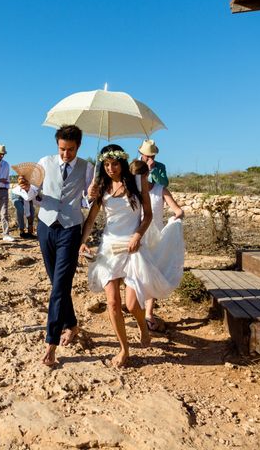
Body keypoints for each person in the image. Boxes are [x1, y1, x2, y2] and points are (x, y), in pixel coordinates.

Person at [80, 145, 177, 368]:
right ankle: (124, 349)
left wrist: (137, 235)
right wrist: (82, 242)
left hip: (133, 247)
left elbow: (148, 214)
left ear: (122, 163)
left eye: (114, 164)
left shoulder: (135, 182)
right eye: (106, 164)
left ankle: (143, 327)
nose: (110, 168)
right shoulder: (101, 187)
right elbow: (91, 219)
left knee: (132, 304)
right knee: (113, 303)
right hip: (109, 248)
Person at [32, 125, 95, 367]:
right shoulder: (44, 163)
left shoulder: (87, 168)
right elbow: (35, 195)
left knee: (59, 286)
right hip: (46, 227)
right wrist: (29, 190)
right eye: (61, 149)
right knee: (56, 282)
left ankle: (51, 343)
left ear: (78, 147)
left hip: (70, 229)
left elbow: (89, 201)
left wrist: (91, 193)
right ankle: (72, 324)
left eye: (70, 150)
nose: (65, 154)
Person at [130, 159, 185, 331]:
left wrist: (175, 219)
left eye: (140, 177)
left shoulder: (160, 190)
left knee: (152, 273)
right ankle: (136, 309)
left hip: (156, 238)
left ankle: (148, 314)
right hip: (136, 237)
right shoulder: (131, 193)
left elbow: (178, 210)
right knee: (136, 274)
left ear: (147, 175)